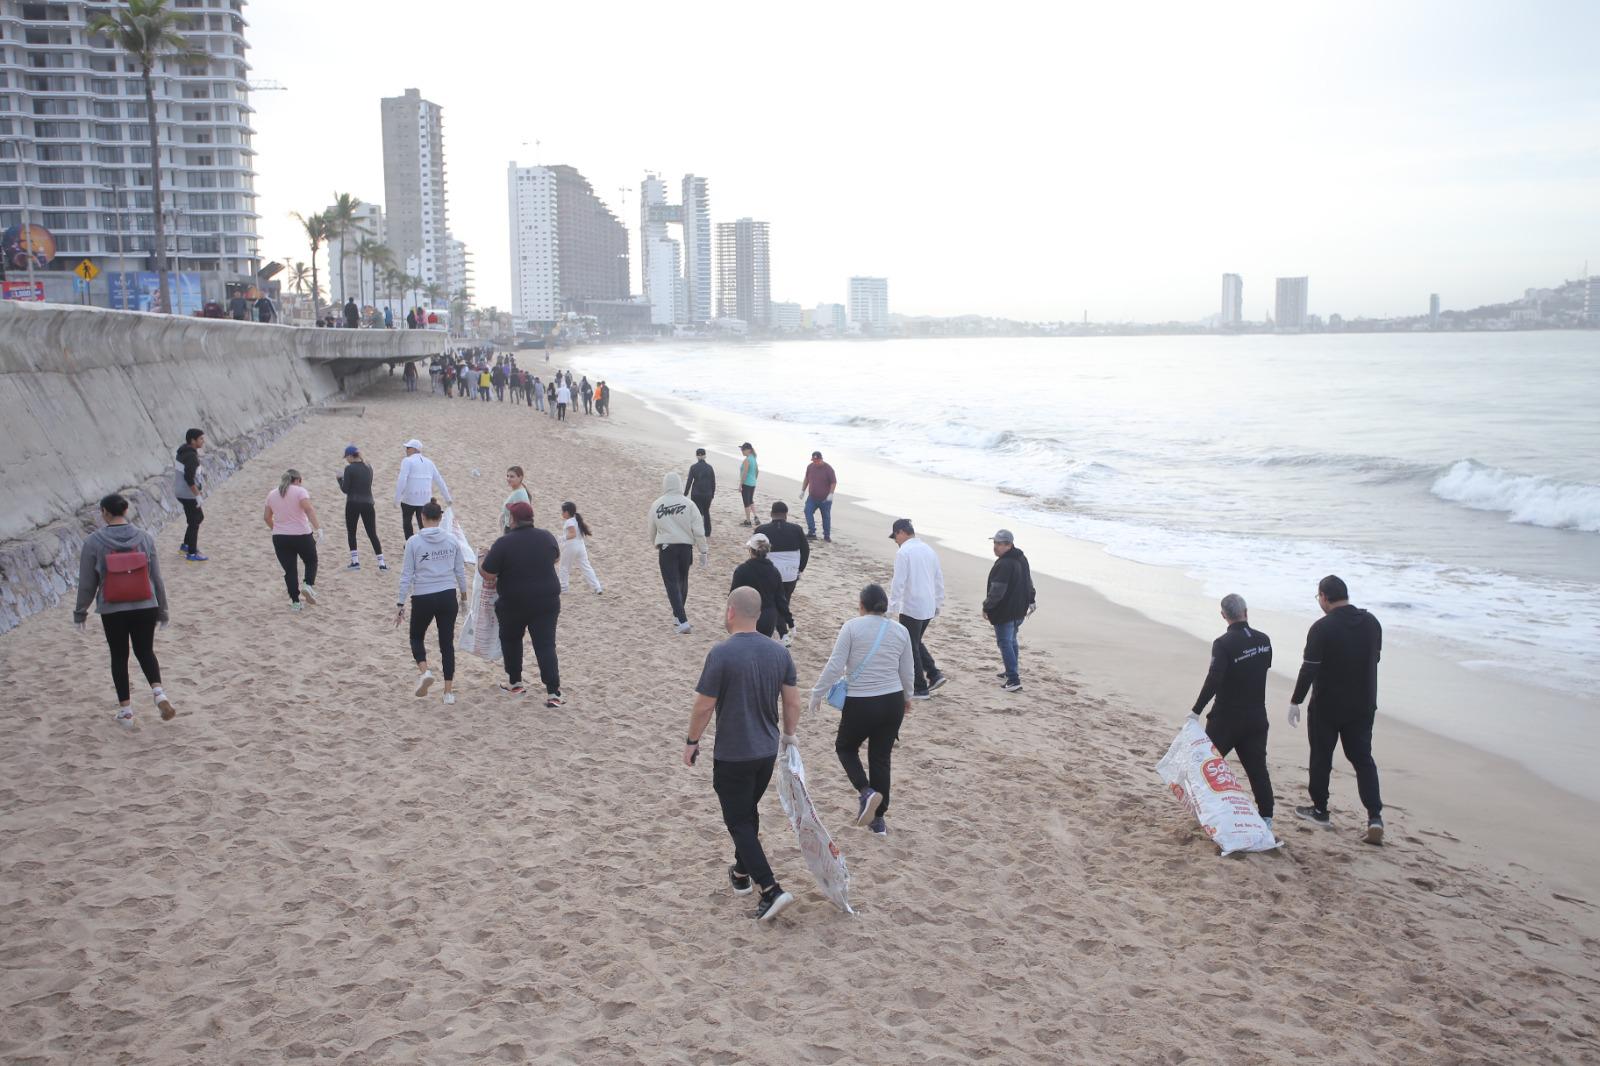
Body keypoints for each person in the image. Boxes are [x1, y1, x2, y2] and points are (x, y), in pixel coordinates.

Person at [682, 587, 802, 922]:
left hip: (734, 753)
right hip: (766, 750)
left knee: (737, 820)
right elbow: (792, 702)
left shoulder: (721, 653)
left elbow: (704, 705)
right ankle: (740, 873)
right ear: (760, 613)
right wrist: (789, 737)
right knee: (746, 813)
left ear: (731, 612)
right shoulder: (779, 653)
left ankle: (771, 889)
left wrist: (692, 741)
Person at [808, 583, 914, 836]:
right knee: (880, 757)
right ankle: (878, 822)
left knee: (845, 747)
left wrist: (817, 692)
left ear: (862, 605)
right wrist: (907, 697)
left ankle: (866, 792)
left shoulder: (852, 627)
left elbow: (836, 666)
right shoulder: (900, 630)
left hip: (862, 701)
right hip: (892, 702)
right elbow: (908, 669)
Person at [1288, 575, 1386, 844]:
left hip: (1327, 706)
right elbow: (1375, 657)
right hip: (1363, 704)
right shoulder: (1371, 622)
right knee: (1363, 759)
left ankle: (1320, 810)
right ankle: (1374, 816)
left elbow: (1310, 667)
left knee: (1321, 756)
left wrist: (1295, 700)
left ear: (1324, 597)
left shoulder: (1322, 628)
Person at [74, 492, 174, 725]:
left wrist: (80, 612)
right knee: (145, 650)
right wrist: (163, 610)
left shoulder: (94, 542)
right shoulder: (145, 538)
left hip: (113, 607)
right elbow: (156, 578)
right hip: (145, 604)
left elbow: (87, 582)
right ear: (126, 510)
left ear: (105, 513)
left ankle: (126, 712)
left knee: (119, 656)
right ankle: (159, 693)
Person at [1190, 593, 1275, 830]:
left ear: (1223, 615)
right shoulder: (1264, 640)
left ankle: (1205, 811)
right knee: (1258, 769)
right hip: (1257, 717)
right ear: (1246, 612)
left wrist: (1196, 710)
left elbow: (1214, 678)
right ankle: (1266, 817)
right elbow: (1261, 668)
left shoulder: (1223, 644)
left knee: (1207, 765)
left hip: (1226, 718)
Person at [481, 501, 564, 707]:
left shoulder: (503, 543)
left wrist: (482, 559)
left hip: (514, 602)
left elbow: (489, 575)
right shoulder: (546, 536)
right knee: (545, 645)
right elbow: (555, 558)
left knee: (511, 640)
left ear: (512, 520)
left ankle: (515, 682)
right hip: (547, 600)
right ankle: (554, 693)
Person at [396, 500, 467, 705]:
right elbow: (460, 572)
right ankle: (448, 693)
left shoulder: (413, 542)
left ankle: (425, 671)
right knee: (447, 644)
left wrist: (400, 604)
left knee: (416, 637)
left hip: (423, 596)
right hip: (447, 595)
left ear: (422, 518)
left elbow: (406, 575)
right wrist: (463, 597)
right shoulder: (452, 541)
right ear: (441, 518)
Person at [888, 518, 947, 699]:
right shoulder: (929, 550)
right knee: (914, 641)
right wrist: (938, 603)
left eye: (895, 537)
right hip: (928, 605)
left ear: (901, 532)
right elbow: (938, 579)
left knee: (910, 645)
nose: (896, 542)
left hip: (912, 606)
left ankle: (920, 688)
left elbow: (898, 583)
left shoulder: (904, 552)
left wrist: (891, 609)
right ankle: (934, 674)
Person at [649, 472, 709, 634]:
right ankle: (678, 616)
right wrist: (703, 551)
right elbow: (698, 530)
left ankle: (682, 621)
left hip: (667, 547)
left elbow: (651, 529)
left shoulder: (657, 504)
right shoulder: (689, 504)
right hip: (685, 548)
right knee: (682, 580)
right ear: (680, 485)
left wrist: (656, 543)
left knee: (671, 583)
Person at [982, 529, 1034, 692]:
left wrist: (987, 606)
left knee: (1005, 643)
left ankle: (1013, 679)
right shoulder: (1021, 558)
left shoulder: (1004, 564)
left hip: (1006, 611)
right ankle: (1011, 671)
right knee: (1011, 641)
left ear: (1009, 545)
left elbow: (997, 590)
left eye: (999, 544)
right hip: (1019, 609)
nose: (995, 547)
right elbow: (1029, 581)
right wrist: (1031, 600)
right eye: (995, 543)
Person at [264, 469, 322, 611]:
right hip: (301, 534)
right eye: (300, 481)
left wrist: (276, 529)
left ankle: (295, 602)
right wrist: (318, 528)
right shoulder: (300, 492)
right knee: (311, 560)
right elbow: (308, 509)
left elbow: (266, 517)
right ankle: (307, 584)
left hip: (280, 538)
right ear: (296, 480)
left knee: (289, 570)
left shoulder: (272, 494)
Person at [755, 502, 808, 645]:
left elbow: (755, 551)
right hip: (791, 574)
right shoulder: (797, 529)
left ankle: (783, 634)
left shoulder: (761, 530)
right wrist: (800, 569)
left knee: (772, 602)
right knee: (784, 601)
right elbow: (805, 551)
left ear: (771, 514)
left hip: (770, 572)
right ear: (786, 514)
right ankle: (782, 632)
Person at [336, 444, 386, 571]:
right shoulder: (369, 467)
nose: (346, 460)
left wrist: (339, 479)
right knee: (372, 533)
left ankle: (355, 562)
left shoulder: (349, 469)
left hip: (353, 503)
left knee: (352, 532)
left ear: (350, 456)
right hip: (368, 503)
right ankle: (381, 563)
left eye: (347, 457)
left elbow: (345, 489)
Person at [730, 533, 789, 638]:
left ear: (750, 551)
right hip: (768, 617)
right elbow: (780, 599)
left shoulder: (742, 570)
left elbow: (733, 596)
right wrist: (789, 623)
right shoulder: (774, 571)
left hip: (748, 615)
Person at [395, 439, 452, 539]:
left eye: (408, 448)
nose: (406, 450)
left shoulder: (407, 461)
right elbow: (439, 480)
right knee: (423, 524)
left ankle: (409, 543)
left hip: (409, 499)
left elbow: (402, 479)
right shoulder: (429, 462)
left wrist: (397, 499)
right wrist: (448, 498)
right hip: (425, 499)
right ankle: (424, 543)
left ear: (415, 449)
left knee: (407, 522)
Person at [174, 427, 208, 561]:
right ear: (193, 441)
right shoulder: (191, 456)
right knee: (196, 519)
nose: (203, 441)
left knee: (194, 519)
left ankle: (186, 545)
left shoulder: (183, 452)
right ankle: (192, 553)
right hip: (188, 494)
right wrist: (197, 495)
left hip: (181, 492)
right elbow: (189, 478)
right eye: (201, 439)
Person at [558, 501, 603, 595]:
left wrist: (562, 538)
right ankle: (597, 587)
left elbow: (572, 534)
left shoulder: (569, 521)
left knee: (564, 567)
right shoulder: (577, 519)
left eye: (562, 511)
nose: (561, 513)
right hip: (581, 547)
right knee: (586, 567)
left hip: (571, 547)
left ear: (567, 512)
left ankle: (564, 588)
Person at [801, 451, 838, 542]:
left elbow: (833, 482)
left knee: (826, 516)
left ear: (821, 459)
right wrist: (802, 490)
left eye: (817, 460)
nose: (815, 462)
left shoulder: (828, 469)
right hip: (812, 497)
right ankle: (812, 532)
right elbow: (806, 479)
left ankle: (826, 535)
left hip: (825, 499)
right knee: (807, 511)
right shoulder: (810, 467)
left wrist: (831, 493)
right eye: (814, 460)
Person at [685, 447, 717, 537]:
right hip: (707, 494)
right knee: (706, 512)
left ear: (697, 456)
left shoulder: (693, 467)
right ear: (705, 456)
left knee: (697, 513)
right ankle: (707, 532)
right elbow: (713, 482)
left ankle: (697, 531)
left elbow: (689, 481)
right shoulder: (709, 467)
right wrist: (712, 494)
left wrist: (685, 493)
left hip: (696, 493)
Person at [501, 466, 532, 532]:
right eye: (507, 476)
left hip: (513, 530)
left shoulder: (519, 494)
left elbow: (520, 516)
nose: (508, 479)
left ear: (520, 478)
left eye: (512, 476)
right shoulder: (518, 490)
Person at [738, 442, 759, 527]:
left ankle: (748, 521)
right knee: (750, 500)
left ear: (748, 450)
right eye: (741, 449)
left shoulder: (747, 460)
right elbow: (757, 471)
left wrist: (740, 484)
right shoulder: (753, 458)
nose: (742, 451)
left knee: (746, 502)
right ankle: (755, 516)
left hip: (746, 483)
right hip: (753, 483)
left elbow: (745, 473)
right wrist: (754, 479)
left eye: (743, 449)